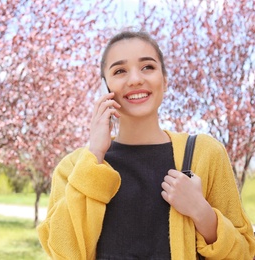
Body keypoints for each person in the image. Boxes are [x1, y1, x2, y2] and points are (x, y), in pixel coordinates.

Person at [37, 30, 255, 260]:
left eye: (148, 67)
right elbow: (64, 253)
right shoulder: (74, 168)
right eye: (120, 71)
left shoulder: (206, 153)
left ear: (165, 81)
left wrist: (202, 212)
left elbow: (245, 252)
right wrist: (95, 154)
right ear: (105, 88)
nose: (135, 79)